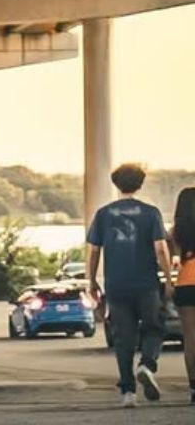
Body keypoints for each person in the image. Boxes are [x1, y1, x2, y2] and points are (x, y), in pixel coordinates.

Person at [85, 162, 174, 407]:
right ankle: (146, 364)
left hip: (116, 285)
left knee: (123, 337)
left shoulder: (103, 214)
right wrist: (167, 279)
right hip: (145, 283)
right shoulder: (151, 212)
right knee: (155, 327)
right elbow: (160, 249)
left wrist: (92, 282)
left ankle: (128, 392)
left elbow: (93, 251)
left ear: (116, 184)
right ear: (140, 184)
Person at [171, 186, 195, 405]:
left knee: (190, 337)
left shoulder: (176, 231)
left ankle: (194, 387)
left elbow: (173, 259)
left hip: (186, 282)